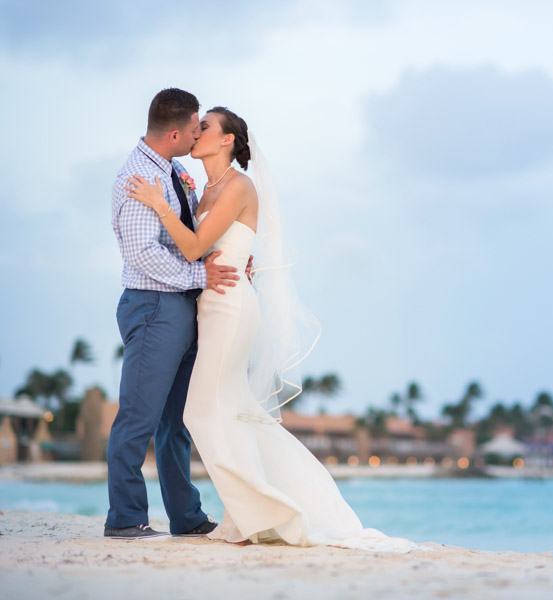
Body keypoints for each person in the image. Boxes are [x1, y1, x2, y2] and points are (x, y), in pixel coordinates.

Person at [125, 106, 424, 552]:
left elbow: (192, 248)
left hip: (229, 308)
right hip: (211, 305)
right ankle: (252, 513)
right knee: (233, 412)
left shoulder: (239, 185)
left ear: (226, 140)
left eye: (205, 126)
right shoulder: (204, 189)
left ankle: (265, 510)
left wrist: (158, 206)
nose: (195, 131)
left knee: (201, 412)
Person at [105, 89, 252, 539]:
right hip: (154, 307)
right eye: (194, 128)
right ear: (175, 132)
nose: (197, 134)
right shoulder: (136, 181)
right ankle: (126, 518)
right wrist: (201, 277)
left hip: (183, 307)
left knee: (177, 422)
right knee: (138, 416)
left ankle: (186, 517)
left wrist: (231, 254)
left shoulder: (172, 172)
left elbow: (194, 235)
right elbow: (145, 256)